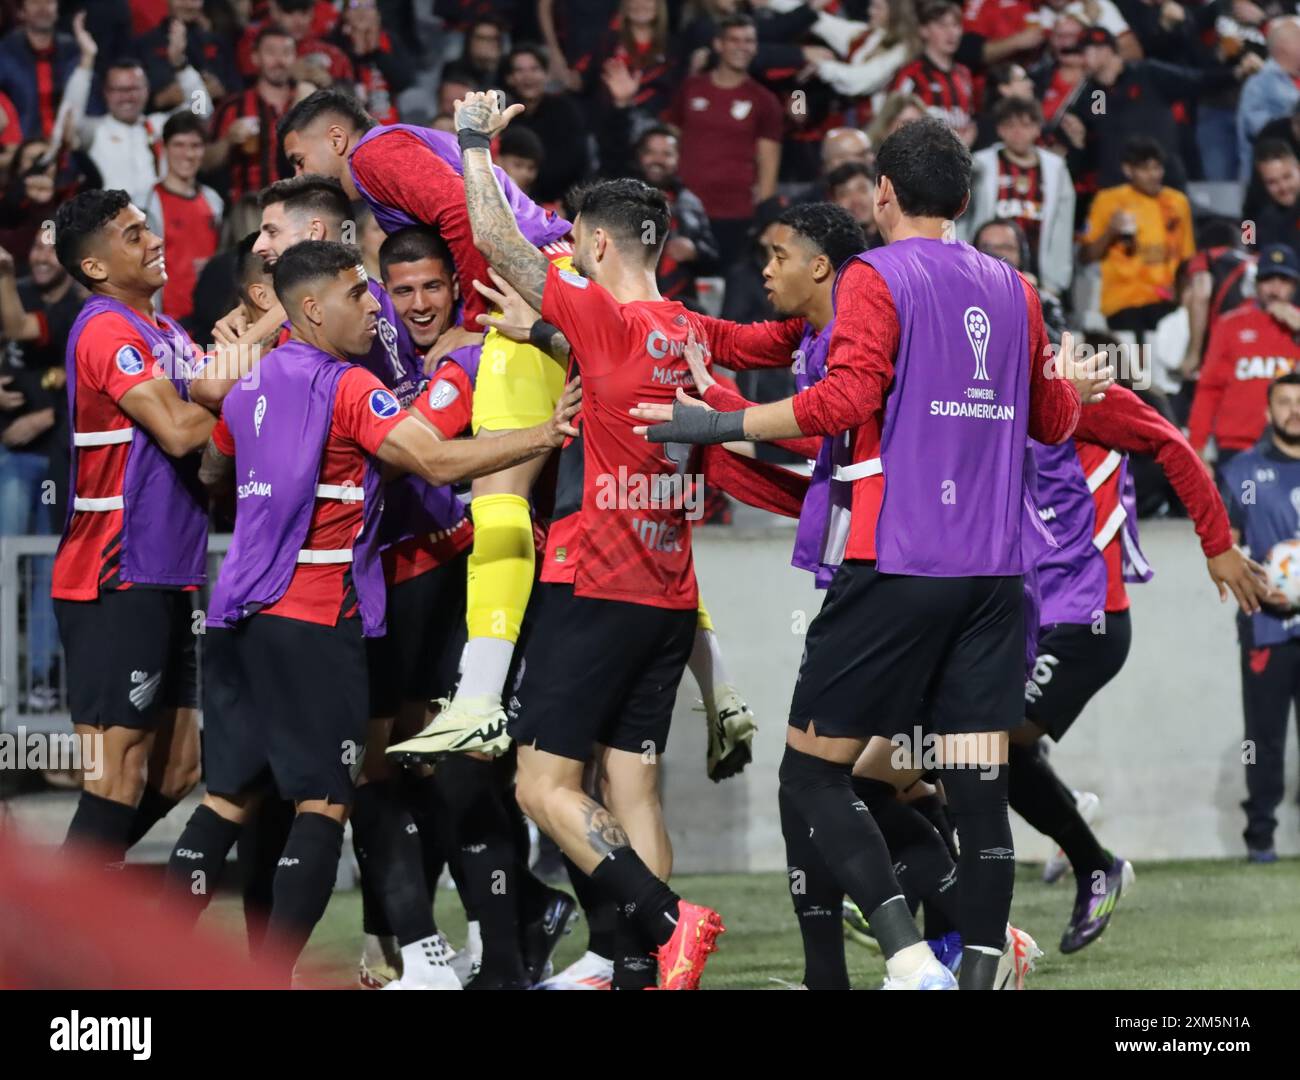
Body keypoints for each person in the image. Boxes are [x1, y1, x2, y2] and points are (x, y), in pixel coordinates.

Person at [633, 117, 1111, 990]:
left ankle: (905, 962)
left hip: (899, 567)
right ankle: (970, 969)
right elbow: (1051, 424)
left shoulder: (875, 275)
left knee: (812, 778)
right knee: (976, 786)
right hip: (998, 581)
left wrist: (718, 423)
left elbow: (840, 399)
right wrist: (1069, 390)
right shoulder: (1015, 286)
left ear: (883, 195)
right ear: (966, 201)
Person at [161, 238, 579, 985]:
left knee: (226, 801)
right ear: (314, 309)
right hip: (314, 616)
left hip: (231, 617)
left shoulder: (251, 384)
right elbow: (436, 460)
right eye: (360, 295)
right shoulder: (348, 386)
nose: (375, 307)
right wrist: (544, 433)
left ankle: (134, 962)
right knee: (325, 805)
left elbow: (217, 463)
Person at [445, 89, 735, 990]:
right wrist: (538, 328)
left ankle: (665, 924)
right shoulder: (687, 334)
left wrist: (472, 146)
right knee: (632, 785)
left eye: (572, 244)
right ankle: (639, 970)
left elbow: (495, 242)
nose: (564, 256)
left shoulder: (598, 313)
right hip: (669, 592)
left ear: (599, 246)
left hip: (592, 580)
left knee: (541, 787)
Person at [276, 88, 574, 759]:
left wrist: (473, 325)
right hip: (551, 272)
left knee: (502, 490)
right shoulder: (406, 145)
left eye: (300, 159)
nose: (299, 178)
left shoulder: (378, 153)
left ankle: (480, 701)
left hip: (536, 279)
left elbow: (460, 215)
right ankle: (715, 681)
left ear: (337, 137)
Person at [49, 189, 215, 869]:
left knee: (177, 770)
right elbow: (181, 431)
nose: (154, 241)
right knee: (114, 775)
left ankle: (72, 899)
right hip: (113, 572)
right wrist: (265, 373)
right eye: (132, 233)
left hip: (166, 572)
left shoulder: (169, 333)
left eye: (149, 228)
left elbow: (210, 423)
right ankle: (57, 938)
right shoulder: (104, 329)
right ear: (95, 267)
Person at [1220, 371, 1300, 861]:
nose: (1294, 410)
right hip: (1265, 626)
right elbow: (1222, 544)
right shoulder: (1242, 472)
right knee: (1264, 738)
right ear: (1268, 411)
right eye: (1285, 402)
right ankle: (1261, 841)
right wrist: (1255, 582)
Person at [665, 14, 783, 267]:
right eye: (734, 40)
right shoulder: (690, 88)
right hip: (687, 211)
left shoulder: (765, 101)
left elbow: (768, 166)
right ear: (718, 45)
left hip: (737, 215)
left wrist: (765, 218)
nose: (742, 47)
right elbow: (668, 141)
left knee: (728, 295)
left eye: (749, 41)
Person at [1189, 243, 1300, 475]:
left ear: (1294, 286)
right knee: (1241, 509)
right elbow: (1209, 389)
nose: (1275, 289)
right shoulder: (1230, 324)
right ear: (1256, 284)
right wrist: (1197, 446)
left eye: (1284, 281)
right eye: (1268, 280)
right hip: (1237, 448)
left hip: (1291, 446)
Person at [1080, 136, 1194, 350]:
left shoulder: (1177, 202)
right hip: (1124, 300)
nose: (1153, 175)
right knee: (1133, 366)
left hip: (1166, 299)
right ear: (1128, 170)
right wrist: (1110, 231)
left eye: (1157, 168)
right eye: (1144, 169)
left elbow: (1187, 258)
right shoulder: (1108, 200)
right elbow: (1086, 255)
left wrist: (1183, 298)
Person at [961, 97, 1075, 299]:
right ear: (999, 129)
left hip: (1039, 273)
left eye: (1026, 125)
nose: (1018, 132)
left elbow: (1062, 225)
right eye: (1010, 125)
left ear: (1038, 128)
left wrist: (1055, 281)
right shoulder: (980, 163)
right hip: (983, 271)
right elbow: (963, 215)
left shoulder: (1055, 168)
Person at [142, 112, 223, 326]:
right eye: (179, 145)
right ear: (164, 147)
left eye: (195, 146)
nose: (187, 154)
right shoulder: (147, 203)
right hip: (167, 322)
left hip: (210, 321)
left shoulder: (213, 201)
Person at [206, 23, 297, 201]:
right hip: (249, 210)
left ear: (295, 57)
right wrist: (227, 142)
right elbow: (205, 163)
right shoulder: (233, 106)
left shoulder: (308, 103)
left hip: (299, 210)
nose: (279, 61)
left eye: (286, 53)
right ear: (255, 58)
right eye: (271, 52)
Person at [890, 1, 974, 145]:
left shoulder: (964, 74)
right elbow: (892, 122)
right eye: (942, 25)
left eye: (955, 25)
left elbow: (970, 120)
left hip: (960, 158)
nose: (951, 33)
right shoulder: (911, 74)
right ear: (924, 30)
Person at [0, 0, 79, 141]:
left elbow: (89, 103)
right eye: (35, 2)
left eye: (49, 2)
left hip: (67, 147)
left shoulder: (73, 50)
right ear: (21, 12)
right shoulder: (5, 52)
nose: (43, 8)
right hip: (19, 149)